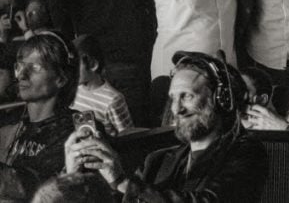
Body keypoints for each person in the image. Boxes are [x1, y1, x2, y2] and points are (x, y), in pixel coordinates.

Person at [64, 51, 267, 201]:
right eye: (173, 98)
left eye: (187, 96)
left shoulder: (247, 153)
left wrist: (122, 182)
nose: (176, 109)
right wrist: (73, 177)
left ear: (220, 100)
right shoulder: (156, 162)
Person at [0, 32, 79, 198]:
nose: (22, 75)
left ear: (61, 79)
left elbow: (46, 187)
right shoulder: (16, 125)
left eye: (35, 68)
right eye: (19, 66)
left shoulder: (74, 130)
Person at [71, 35, 132, 136]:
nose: (70, 71)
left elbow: (127, 135)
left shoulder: (113, 100)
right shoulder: (72, 91)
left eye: (76, 66)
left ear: (93, 65)